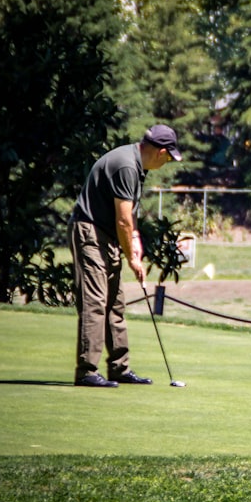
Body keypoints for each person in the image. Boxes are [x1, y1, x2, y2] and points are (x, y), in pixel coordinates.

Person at [69, 125, 181, 387]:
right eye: (168, 157)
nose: (167, 162)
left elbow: (130, 216)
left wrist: (136, 242)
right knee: (96, 300)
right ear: (160, 152)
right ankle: (86, 371)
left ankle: (119, 368)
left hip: (107, 235)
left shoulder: (137, 166)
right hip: (90, 232)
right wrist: (132, 258)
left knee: (115, 302)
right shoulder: (127, 166)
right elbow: (122, 220)